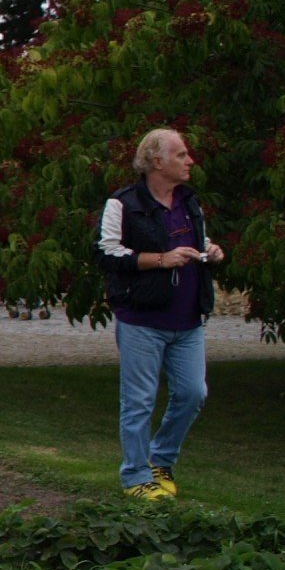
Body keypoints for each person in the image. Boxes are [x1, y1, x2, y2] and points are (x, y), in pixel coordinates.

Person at [97, 128, 225, 500]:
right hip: (141, 319)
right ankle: (136, 478)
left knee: (192, 393)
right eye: (182, 155)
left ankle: (160, 459)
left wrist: (210, 251)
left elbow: (198, 241)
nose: (190, 161)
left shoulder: (190, 202)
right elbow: (106, 253)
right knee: (138, 401)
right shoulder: (122, 203)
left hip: (188, 320)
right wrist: (160, 260)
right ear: (156, 161)